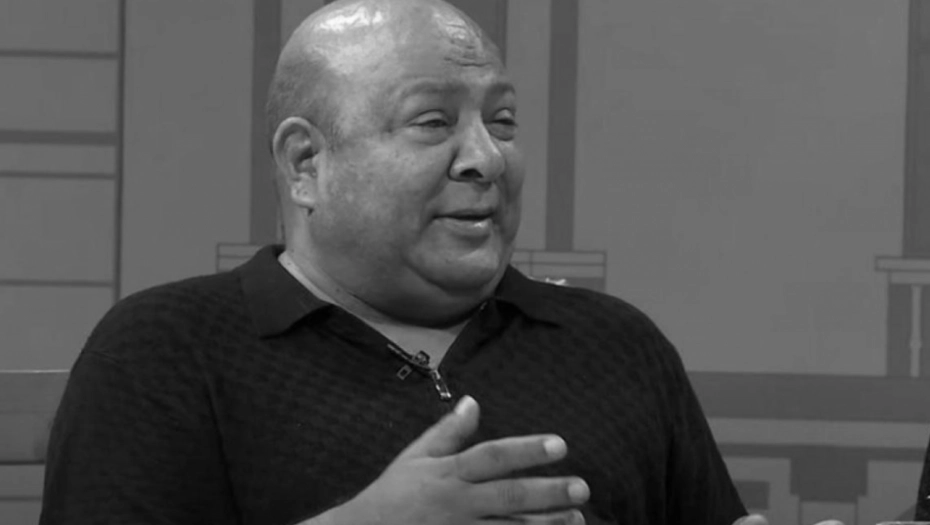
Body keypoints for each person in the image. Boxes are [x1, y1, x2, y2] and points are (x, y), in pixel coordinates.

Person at [37, 1, 832, 524]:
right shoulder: (165, 351)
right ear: (307, 163)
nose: (487, 157)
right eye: (431, 122)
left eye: (502, 121)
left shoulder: (616, 344)